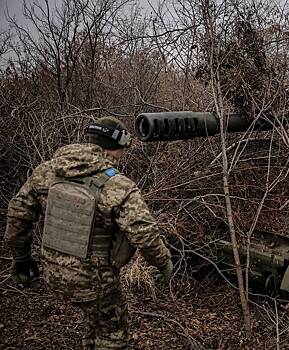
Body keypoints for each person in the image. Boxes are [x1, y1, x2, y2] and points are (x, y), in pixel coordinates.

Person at [5, 117, 173, 350]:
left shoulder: (46, 171)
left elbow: (18, 213)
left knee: (93, 316)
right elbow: (144, 233)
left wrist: (21, 258)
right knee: (113, 331)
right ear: (118, 147)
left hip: (53, 273)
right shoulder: (118, 186)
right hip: (95, 280)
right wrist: (163, 263)